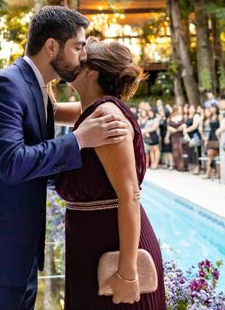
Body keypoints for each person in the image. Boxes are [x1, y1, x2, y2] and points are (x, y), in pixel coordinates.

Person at [0, 6, 131, 310]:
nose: (83, 56)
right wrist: (79, 139)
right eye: (78, 47)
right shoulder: (4, 86)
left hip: (18, 256)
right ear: (52, 46)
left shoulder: (40, 91)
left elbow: (42, 162)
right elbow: (13, 164)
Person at [54, 38, 166, 309]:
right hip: (91, 244)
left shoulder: (107, 115)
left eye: (79, 57)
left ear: (91, 71)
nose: (72, 61)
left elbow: (130, 196)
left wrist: (127, 273)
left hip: (114, 248)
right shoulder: (92, 110)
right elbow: (51, 111)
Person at [166, 106, 186, 171]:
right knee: (175, 151)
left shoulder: (182, 117)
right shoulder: (171, 118)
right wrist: (167, 137)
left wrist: (182, 128)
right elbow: (168, 128)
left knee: (181, 150)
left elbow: (184, 126)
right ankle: (176, 164)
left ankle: (182, 165)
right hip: (174, 136)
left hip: (181, 135)